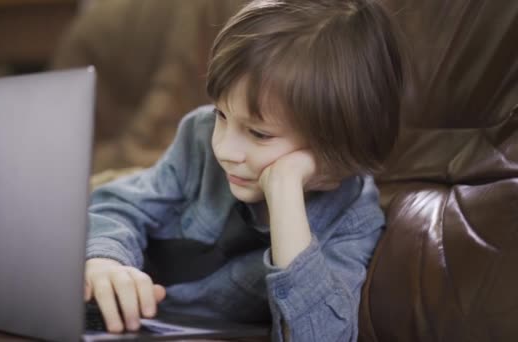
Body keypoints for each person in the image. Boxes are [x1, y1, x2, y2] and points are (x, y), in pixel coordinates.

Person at [83, 0, 406, 340]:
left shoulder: (352, 223)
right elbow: (122, 205)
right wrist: (107, 260)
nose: (223, 148)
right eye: (221, 115)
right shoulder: (199, 137)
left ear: (339, 145)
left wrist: (284, 191)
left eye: (259, 134)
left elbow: (323, 335)